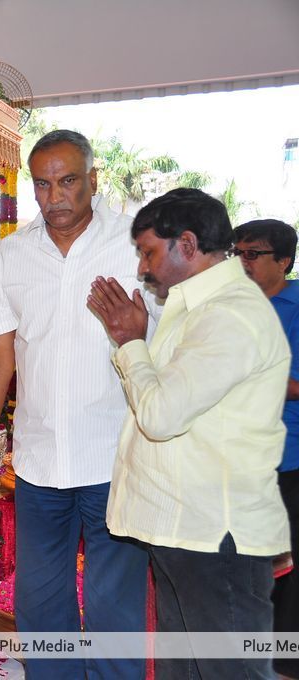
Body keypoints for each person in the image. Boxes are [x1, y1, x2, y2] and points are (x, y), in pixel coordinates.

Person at [0, 129, 154, 679]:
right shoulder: (10, 256)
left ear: (93, 180)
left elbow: (170, 347)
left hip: (117, 461)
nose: (57, 196)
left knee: (113, 610)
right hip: (40, 465)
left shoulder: (136, 247)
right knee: (42, 608)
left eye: (69, 181)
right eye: (44, 185)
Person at [89, 189, 290, 680]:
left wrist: (130, 342)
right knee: (187, 671)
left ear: (187, 242)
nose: (141, 268)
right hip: (188, 529)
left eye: (148, 252)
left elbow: (159, 415)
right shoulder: (197, 306)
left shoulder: (229, 314)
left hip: (215, 533)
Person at [234, 218, 299, 678]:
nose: (243, 263)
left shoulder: (295, 306)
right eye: (237, 253)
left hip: (287, 460)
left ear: (285, 261)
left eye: (253, 255)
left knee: (287, 572)